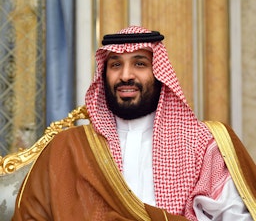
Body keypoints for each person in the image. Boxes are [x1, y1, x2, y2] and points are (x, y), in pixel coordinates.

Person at [12, 26, 256, 221]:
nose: (126, 75)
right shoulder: (68, 147)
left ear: (159, 74)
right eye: (116, 64)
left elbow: (235, 215)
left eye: (140, 64)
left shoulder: (202, 143)